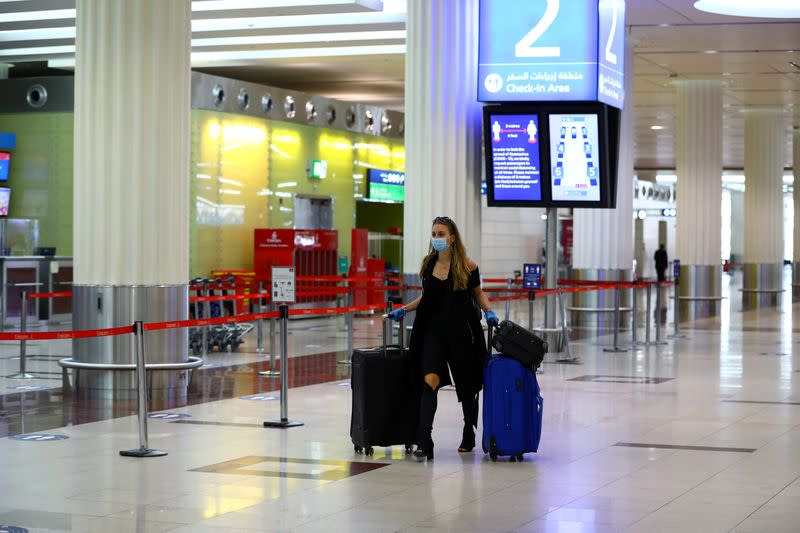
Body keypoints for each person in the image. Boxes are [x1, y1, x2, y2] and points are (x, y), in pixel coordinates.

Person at [387, 216, 498, 461]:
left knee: (467, 387)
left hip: (461, 334)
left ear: (452, 237)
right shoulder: (428, 264)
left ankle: (468, 431)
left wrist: (489, 310)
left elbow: (478, 294)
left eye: (441, 234)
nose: (436, 238)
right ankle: (424, 439)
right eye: (434, 233)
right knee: (430, 381)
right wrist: (404, 309)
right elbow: (426, 299)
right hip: (432, 333)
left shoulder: (468, 266)